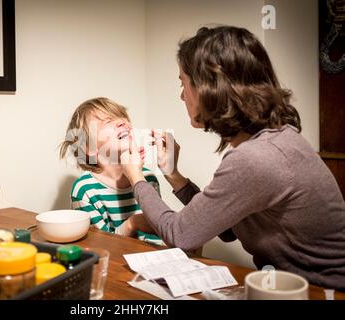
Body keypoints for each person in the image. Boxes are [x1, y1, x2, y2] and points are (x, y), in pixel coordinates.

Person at [119, 26, 345, 290]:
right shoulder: (272, 140)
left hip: (325, 291)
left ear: (209, 87)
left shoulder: (255, 157)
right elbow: (225, 229)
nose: (182, 95)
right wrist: (173, 174)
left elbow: (180, 234)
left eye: (183, 82)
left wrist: (135, 177)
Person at [60, 97, 164, 245]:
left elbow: (159, 235)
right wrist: (131, 224)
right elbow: (99, 246)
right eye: (108, 122)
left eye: (121, 116)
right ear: (89, 148)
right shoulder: (85, 191)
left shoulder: (148, 177)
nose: (123, 121)